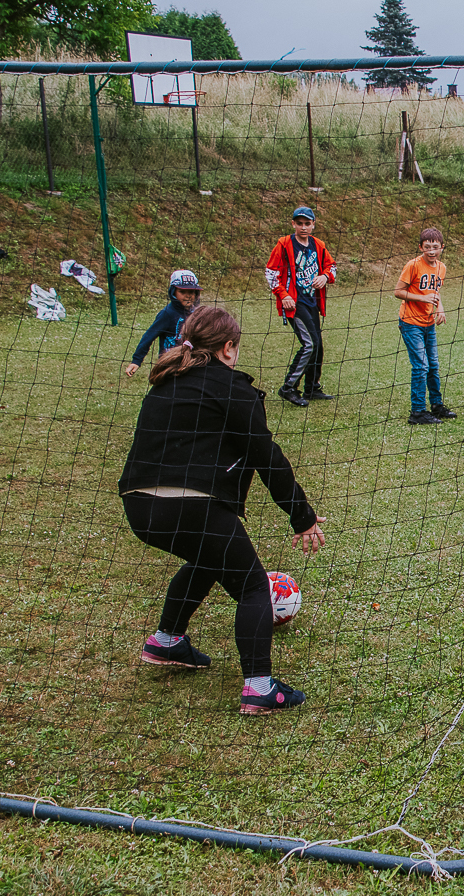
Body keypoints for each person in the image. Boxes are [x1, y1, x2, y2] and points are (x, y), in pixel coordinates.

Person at [118, 304, 327, 716]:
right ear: (229, 347)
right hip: (194, 508)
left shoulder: (164, 382)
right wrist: (301, 516)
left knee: (208, 558)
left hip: (139, 509)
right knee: (251, 586)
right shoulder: (234, 389)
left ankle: (167, 641)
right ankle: (259, 687)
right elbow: (267, 457)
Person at [264, 207, 336, 407]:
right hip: (295, 304)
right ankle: (288, 387)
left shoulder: (318, 245)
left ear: (313, 225)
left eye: (307, 223)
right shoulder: (284, 244)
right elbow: (271, 273)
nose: (303, 227)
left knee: (318, 346)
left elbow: (332, 266)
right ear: (293, 224)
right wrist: (283, 295)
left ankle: (312, 388)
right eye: (299, 223)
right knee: (309, 344)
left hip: (312, 302)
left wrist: (325, 276)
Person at [394, 227, 455, 424]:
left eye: (435, 247)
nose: (431, 251)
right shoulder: (413, 265)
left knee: (433, 366)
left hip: (429, 323)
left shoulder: (441, 268)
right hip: (410, 323)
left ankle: (436, 406)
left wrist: (440, 308)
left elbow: (434, 293)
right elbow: (398, 291)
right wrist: (422, 297)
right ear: (420, 247)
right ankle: (418, 412)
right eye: (427, 247)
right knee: (421, 366)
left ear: (442, 248)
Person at [123, 269, 200, 377]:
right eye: (182, 292)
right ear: (173, 292)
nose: (188, 296)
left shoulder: (197, 313)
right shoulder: (167, 314)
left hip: (192, 365)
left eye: (191, 292)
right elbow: (148, 337)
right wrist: (136, 361)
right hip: (170, 365)